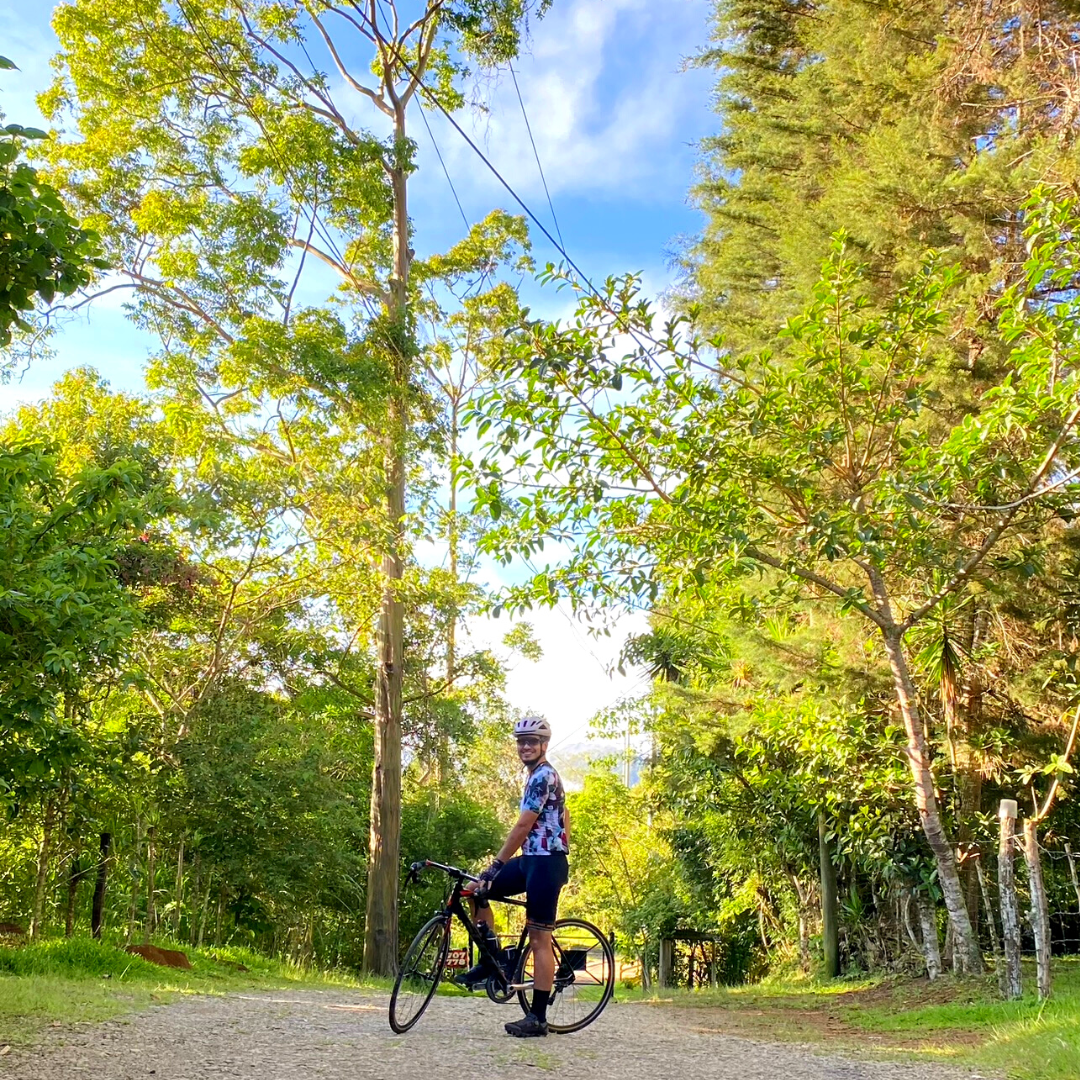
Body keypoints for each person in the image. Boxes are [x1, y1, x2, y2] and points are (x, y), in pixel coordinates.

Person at [461, 715, 570, 1038]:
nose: (525, 746)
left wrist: (495, 864)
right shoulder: (534, 775)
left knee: (539, 937)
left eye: (531, 742)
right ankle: (492, 958)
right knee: (475, 891)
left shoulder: (543, 776)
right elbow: (564, 814)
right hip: (530, 861)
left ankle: (537, 1017)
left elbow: (523, 826)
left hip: (546, 864)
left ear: (544, 745)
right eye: (521, 742)